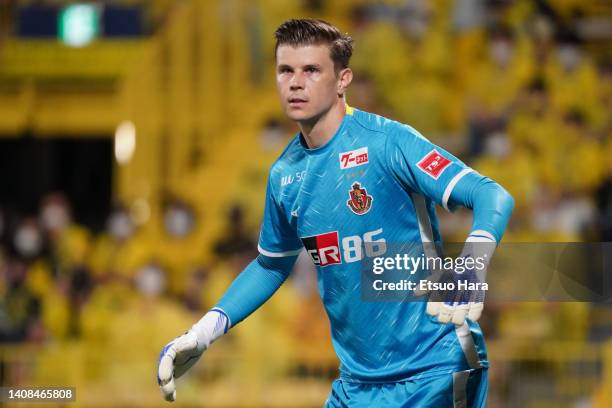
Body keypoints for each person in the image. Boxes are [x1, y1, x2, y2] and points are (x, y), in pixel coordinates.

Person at [157, 19, 514, 407]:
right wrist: (204, 331)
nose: (295, 82)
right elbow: (271, 265)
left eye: (311, 70)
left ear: (343, 79)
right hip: (356, 385)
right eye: (285, 70)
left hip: (434, 368)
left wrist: (472, 266)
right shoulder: (285, 175)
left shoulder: (389, 143)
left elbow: (490, 195)